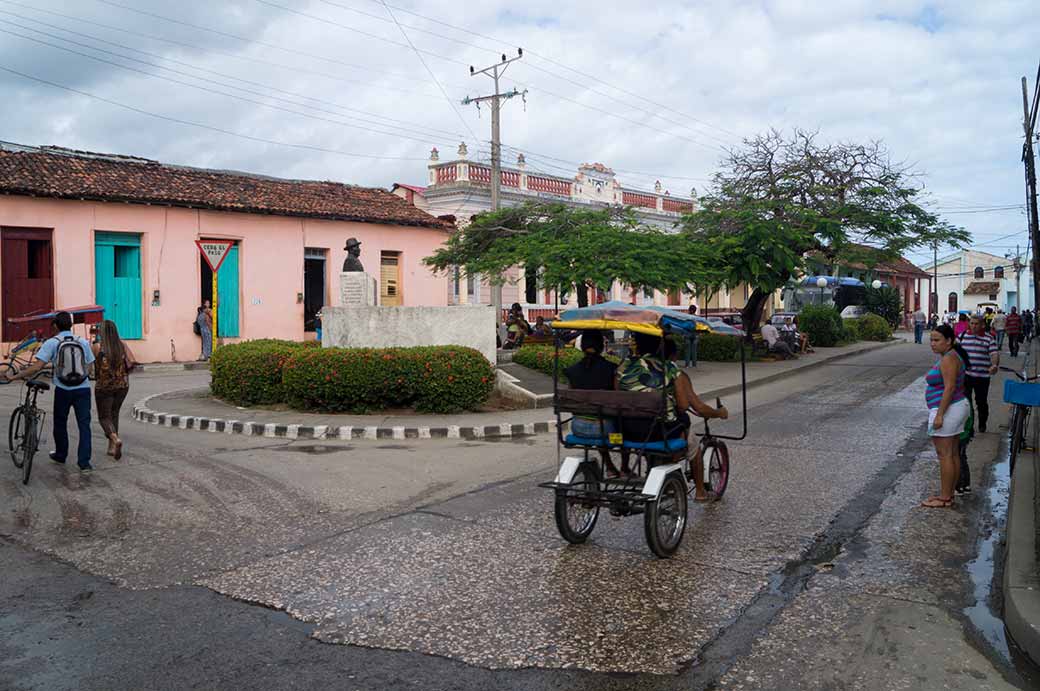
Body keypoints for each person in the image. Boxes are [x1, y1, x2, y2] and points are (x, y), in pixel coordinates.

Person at [616, 331, 728, 500]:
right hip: (659, 431)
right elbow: (685, 406)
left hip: (628, 429)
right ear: (660, 345)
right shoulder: (670, 368)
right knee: (693, 443)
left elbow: (618, 396)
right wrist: (719, 413)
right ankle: (699, 492)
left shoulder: (624, 366)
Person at [5, 311, 96, 474]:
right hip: (83, 389)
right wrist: (80, 378)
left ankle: (61, 455)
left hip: (63, 389)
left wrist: (16, 376)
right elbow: (90, 366)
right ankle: (84, 463)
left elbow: (36, 367)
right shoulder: (83, 342)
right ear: (71, 325)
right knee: (84, 425)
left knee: (60, 423)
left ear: (55, 326)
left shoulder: (52, 343)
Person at [921, 324, 970, 508]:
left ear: (949, 341)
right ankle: (948, 494)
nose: (932, 344)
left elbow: (949, 388)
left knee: (945, 455)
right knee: (952, 454)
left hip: (949, 410)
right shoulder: (951, 356)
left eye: (936, 340)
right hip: (957, 407)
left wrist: (939, 415)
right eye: (931, 340)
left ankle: (944, 498)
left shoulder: (949, 359)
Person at [565, 331, 623, 477]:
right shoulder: (611, 368)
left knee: (599, 422)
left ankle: (610, 466)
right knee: (623, 428)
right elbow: (619, 399)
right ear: (601, 346)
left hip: (577, 427)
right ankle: (625, 467)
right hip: (606, 431)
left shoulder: (572, 370)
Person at [91, 319, 135, 460]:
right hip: (122, 386)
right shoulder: (122, 344)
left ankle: (115, 440)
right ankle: (111, 447)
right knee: (114, 414)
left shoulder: (97, 347)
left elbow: (92, 366)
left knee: (104, 417)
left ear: (102, 332)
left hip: (104, 387)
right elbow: (132, 360)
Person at [959, 315, 998, 435]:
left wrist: (994, 365)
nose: (974, 326)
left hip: (982, 377)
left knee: (981, 402)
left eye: (976, 324)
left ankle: (982, 423)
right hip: (967, 376)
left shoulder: (989, 338)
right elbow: (955, 352)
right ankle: (969, 426)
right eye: (972, 323)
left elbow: (994, 354)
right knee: (966, 402)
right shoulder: (962, 336)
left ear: (982, 325)